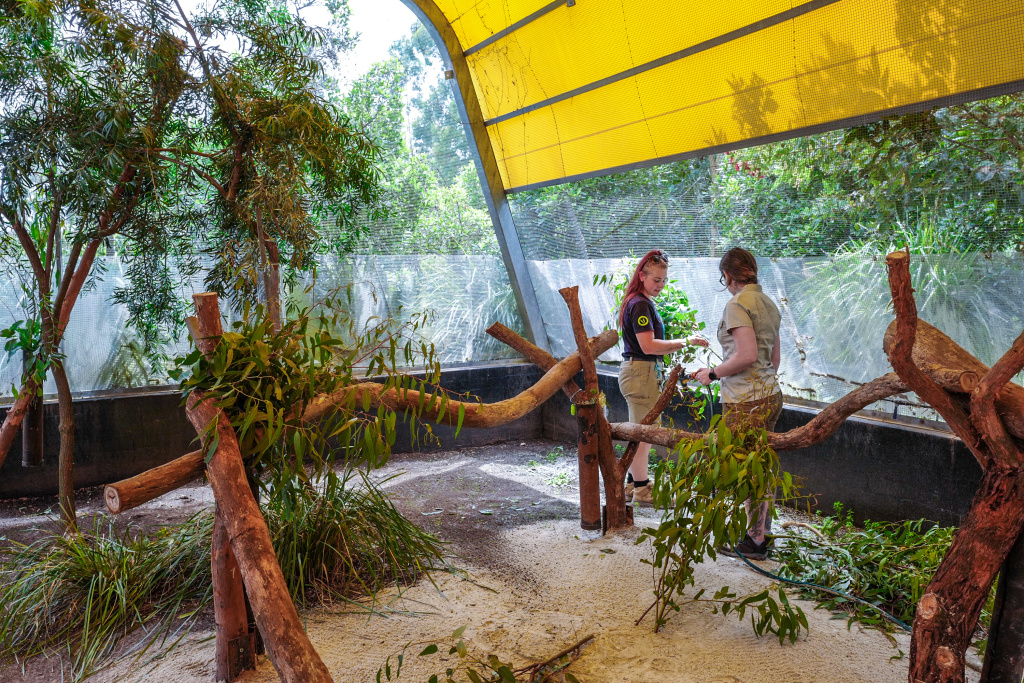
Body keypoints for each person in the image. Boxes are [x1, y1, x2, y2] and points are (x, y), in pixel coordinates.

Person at [694, 247, 782, 560]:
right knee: (761, 468)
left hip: (746, 401)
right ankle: (759, 537)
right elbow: (774, 360)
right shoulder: (768, 303)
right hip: (770, 394)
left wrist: (712, 373)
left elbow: (746, 356)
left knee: (738, 468)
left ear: (728, 276)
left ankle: (747, 538)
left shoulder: (737, 304)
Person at [618, 250, 707, 506]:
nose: (661, 285)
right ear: (642, 275)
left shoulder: (640, 301)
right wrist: (685, 341)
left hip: (643, 371)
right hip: (641, 372)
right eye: (656, 280)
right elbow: (648, 345)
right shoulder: (640, 304)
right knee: (644, 432)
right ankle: (643, 490)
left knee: (642, 429)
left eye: (664, 280)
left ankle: (634, 485)